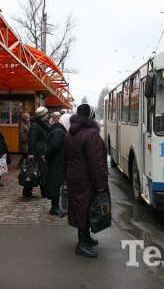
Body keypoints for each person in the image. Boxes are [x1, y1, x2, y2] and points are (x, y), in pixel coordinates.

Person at [62, 104, 109, 258]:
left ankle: (86, 238)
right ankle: (81, 244)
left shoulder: (70, 133)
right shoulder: (91, 134)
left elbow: (65, 157)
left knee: (80, 207)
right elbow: (95, 162)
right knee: (87, 207)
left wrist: (66, 175)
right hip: (87, 178)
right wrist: (100, 183)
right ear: (91, 116)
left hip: (74, 176)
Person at [43, 113, 71, 215]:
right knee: (56, 183)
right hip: (57, 161)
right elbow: (54, 145)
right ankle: (54, 208)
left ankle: (56, 206)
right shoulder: (59, 131)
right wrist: (47, 156)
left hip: (57, 160)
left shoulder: (59, 129)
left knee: (57, 182)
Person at [26, 107, 50, 198]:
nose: (48, 115)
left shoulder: (44, 124)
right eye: (46, 113)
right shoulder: (35, 125)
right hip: (38, 150)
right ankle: (42, 191)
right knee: (38, 170)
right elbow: (31, 140)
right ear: (43, 115)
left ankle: (29, 190)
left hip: (42, 148)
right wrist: (30, 153)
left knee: (40, 170)